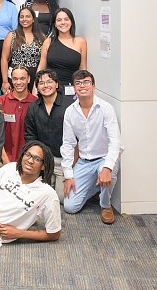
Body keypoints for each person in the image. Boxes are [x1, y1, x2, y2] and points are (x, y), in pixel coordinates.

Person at [61, 70, 123, 224]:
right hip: (84, 162)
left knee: (110, 171)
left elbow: (116, 143)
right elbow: (68, 144)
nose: (83, 86)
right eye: (78, 83)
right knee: (70, 206)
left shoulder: (106, 108)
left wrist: (107, 168)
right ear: (74, 88)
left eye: (87, 82)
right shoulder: (70, 112)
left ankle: (105, 205)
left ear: (94, 86)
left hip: (104, 158)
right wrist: (68, 175)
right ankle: (96, 187)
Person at [24, 68, 74, 203]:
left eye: (49, 81)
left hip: (63, 161)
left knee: (62, 199)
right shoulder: (33, 107)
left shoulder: (70, 106)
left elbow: (79, 138)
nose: (45, 85)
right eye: (41, 83)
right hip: (43, 161)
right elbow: (30, 136)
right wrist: (38, 161)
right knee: (37, 197)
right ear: (37, 88)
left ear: (57, 84)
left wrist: (71, 166)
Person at [38, 8, 87, 88]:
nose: (63, 22)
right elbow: (41, 67)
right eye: (59, 20)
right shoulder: (48, 42)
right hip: (50, 88)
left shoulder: (81, 42)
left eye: (66, 19)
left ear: (71, 22)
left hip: (71, 89)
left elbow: (83, 70)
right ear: (55, 24)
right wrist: (35, 88)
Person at [1, 7, 45, 94]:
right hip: (15, 75)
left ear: (33, 19)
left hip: (34, 76)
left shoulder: (42, 37)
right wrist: (5, 81)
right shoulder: (12, 35)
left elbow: (44, 60)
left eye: (28, 16)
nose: (24, 19)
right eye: (22, 17)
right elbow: (4, 59)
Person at [0, 66, 37, 164]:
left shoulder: (36, 103)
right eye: (15, 79)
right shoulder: (0, 102)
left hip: (29, 161)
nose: (18, 82)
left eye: (22, 78)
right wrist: (5, 160)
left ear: (28, 79)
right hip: (4, 160)